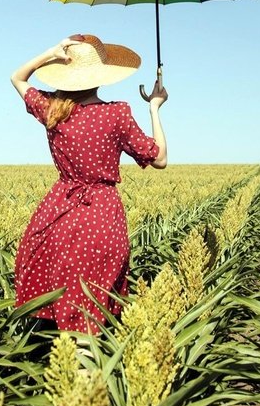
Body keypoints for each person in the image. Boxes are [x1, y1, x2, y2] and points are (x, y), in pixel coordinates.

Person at [10, 34, 168, 334]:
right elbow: (158, 159)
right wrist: (155, 108)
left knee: (61, 296)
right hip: (101, 215)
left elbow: (17, 78)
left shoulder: (52, 109)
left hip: (60, 214)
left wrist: (50, 53)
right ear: (102, 77)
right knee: (90, 308)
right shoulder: (116, 114)